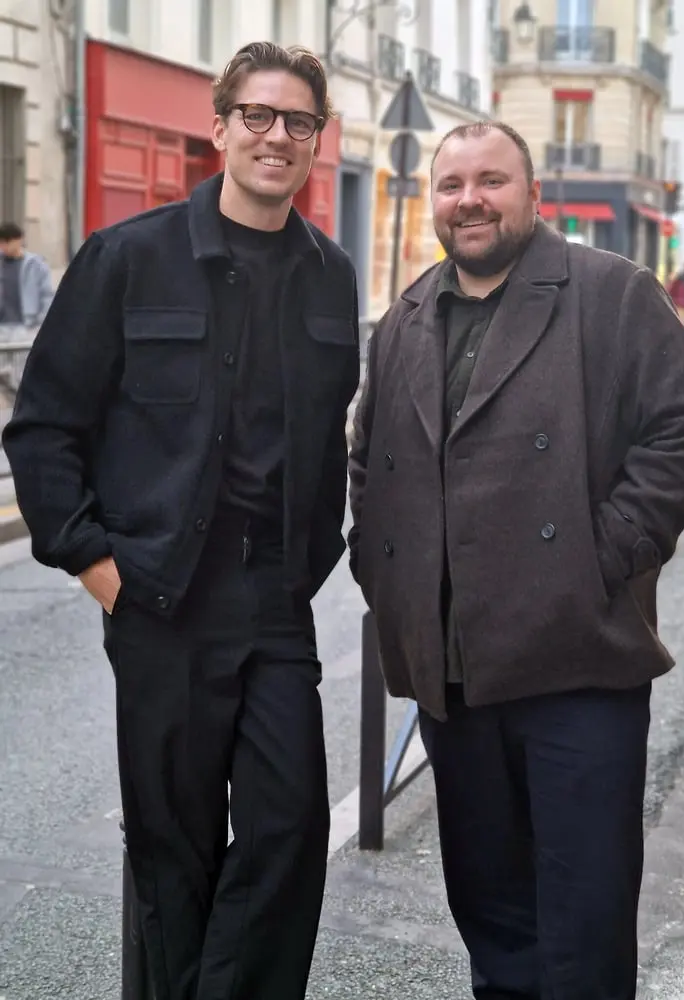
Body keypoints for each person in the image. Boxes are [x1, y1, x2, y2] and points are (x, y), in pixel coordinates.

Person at [3, 42, 360, 1000]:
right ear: (220, 126)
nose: (276, 136)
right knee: (174, 850)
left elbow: (330, 442)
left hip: (276, 601)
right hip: (160, 597)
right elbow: (42, 428)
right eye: (258, 115)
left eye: (297, 122)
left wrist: (308, 562)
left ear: (317, 141)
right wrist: (97, 566)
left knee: (290, 832)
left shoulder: (332, 275)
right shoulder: (129, 257)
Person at [348, 121, 684, 1000]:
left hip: (576, 670)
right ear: (434, 200)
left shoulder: (611, 291)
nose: (469, 200)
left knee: (583, 931)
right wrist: (383, 570)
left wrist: (601, 560)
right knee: (494, 922)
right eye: (452, 185)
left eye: (491, 181)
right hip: (454, 677)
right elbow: (369, 458)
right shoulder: (406, 315)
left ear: (532, 194)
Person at [0, 222, 55, 327]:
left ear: (19, 240)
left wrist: (41, 322)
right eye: (1, 243)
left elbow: (47, 295)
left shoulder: (36, 265)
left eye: (7, 242)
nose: (4, 247)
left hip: (28, 326)